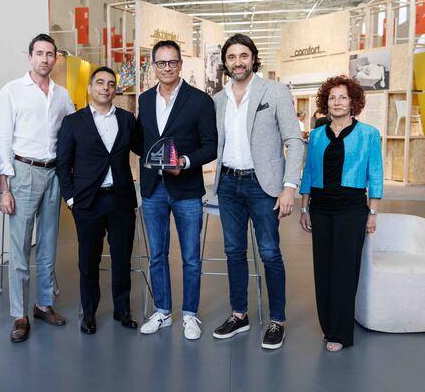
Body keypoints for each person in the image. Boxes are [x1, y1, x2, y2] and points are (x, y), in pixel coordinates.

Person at [211, 34, 304, 350]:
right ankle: (239, 315)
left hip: (263, 186)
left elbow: (294, 141)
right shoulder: (218, 99)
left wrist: (289, 187)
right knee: (233, 251)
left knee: (269, 252)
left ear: (253, 58)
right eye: (232, 57)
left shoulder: (274, 92)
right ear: (225, 62)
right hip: (228, 184)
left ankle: (277, 320)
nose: (238, 62)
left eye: (243, 56)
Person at [135, 40, 217, 340]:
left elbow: (211, 145)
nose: (167, 68)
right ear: (154, 66)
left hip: (187, 189)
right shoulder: (145, 100)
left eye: (172, 62)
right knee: (157, 254)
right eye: (161, 63)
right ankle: (163, 311)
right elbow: (141, 141)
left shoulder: (200, 100)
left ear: (180, 64)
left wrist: (184, 161)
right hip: (153, 188)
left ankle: (190, 314)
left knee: (191, 256)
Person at [0, 33, 75, 342]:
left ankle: (43, 304)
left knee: (48, 242)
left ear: (56, 59)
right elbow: (3, 140)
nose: (45, 59)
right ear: (30, 56)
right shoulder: (12, 91)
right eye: (39, 53)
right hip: (23, 171)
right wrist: (4, 188)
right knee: (19, 248)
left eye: (50, 54)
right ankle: (19, 314)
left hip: (53, 172)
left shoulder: (62, 95)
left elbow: (72, 134)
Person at [299, 75, 383, 352]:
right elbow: (309, 172)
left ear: (353, 102)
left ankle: (341, 332)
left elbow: (375, 174)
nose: (337, 102)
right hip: (320, 208)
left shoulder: (368, 134)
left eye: (343, 97)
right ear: (326, 102)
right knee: (323, 268)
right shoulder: (317, 135)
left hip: (351, 209)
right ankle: (328, 326)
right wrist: (304, 207)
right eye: (332, 97)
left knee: (345, 270)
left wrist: (372, 212)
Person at [56, 67, 138, 334]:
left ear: (115, 89)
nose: (105, 87)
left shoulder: (127, 119)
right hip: (88, 202)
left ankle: (122, 310)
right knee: (88, 261)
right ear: (90, 88)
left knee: (122, 258)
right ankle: (89, 312)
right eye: (100, 83)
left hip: (120, 199)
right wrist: (71, 199)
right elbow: (63, 163)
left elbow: (143, 148)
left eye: (111, 84)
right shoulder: (73, 122)